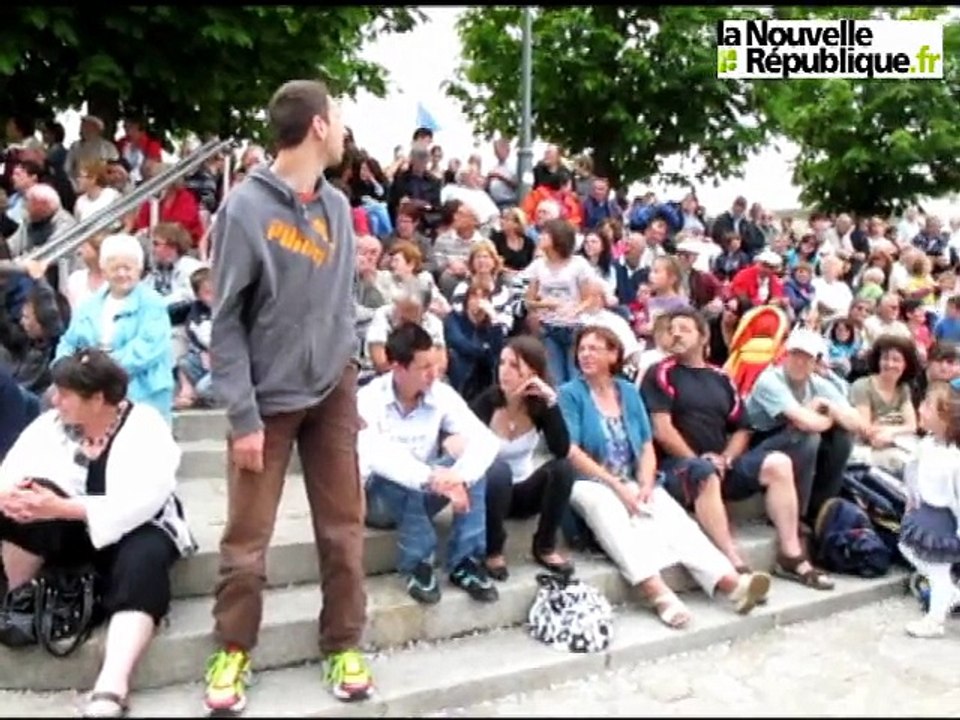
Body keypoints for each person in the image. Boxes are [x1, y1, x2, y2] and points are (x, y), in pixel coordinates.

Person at [205, 80, 372, 714]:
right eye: (340, 117)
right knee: (248, 539)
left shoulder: (336, 204)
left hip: (333, 389)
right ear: (319, 127)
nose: (345, 129)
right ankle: (233, 650)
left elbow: (341, 300)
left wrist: (349, 356)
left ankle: (343, 644)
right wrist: (242, 415)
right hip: (266, 402)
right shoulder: (244, 209)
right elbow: (224, 321)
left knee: (344, 530)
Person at [0, 350, 193, 717]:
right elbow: (11, 470)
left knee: (144, 557)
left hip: (138, 527)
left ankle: (113, 681)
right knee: (18, 504)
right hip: (72, 528)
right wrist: (13, 496)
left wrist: (61, 508)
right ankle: (15, 603)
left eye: (65, 394)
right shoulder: (51, 425)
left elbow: (143, 501)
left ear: (98, 399)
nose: (55, 401)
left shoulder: (145, 425)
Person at [559, 326, 771, 630]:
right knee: (608, 510)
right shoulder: (571, 394)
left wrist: (645, 483)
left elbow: (646, 445)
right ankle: (657, 594)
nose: (586, 354)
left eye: (595, 348)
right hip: (589, 481)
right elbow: (571, 450)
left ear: (613, 354)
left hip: (631, 476)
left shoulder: (628, 391)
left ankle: (732, 584)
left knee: (671, 515)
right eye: (582, 349)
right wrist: (618, 487)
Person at [642, 309, 833, 589]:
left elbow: (743, 427)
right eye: (672, 329)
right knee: (703, 470)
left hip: (721, 465)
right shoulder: (659, 372)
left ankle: (791, 554)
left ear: (703, 336)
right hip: (678, 467)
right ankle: (734, 562)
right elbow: (662, 428)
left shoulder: (721, 377)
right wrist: (699, 459)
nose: (676, 334)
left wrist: (727, 458)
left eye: (684, 328)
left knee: (778, 462)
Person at [359, 323, 500, 604]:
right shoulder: (368, 399)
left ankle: (465, 561)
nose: (433, 374)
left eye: (434, 365)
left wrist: (460, 477)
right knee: (399, 476)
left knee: (473, 463)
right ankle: (417, 563)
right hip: (378, 500)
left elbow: (486, 440)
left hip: (431, 488)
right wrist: (431, 476)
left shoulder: (441, 393)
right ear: (398, 368)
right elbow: (378, 455)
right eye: (424, 367)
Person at [471, 336, 576, 580]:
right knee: (499, 470)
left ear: (533, 372)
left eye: (514, 366)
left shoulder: (540, 406)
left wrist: (551, 402)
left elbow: (561, 449)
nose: (504, 371)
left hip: (522, 493)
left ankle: (545, 545)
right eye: (502, 363)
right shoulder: (487, 402)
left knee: (563, 468)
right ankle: (493, 549)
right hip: (489, 493)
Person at [744, 328, 868, 529]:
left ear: (815, 361)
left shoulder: (818, 384)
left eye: (806, 357)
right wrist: (828, 417)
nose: (799, 362)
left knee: (842, 436)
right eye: (795, 354)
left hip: (791, 439)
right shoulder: (770, 379)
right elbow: (804, 422)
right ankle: (796, 515)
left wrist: (829, 409)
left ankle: (820, 508)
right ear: (786, 354)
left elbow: (856, 422)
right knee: (810, 437)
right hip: (759, 442)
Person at [54, 233, 175, 422]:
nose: (122, 274)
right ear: (103, 270)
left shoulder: (153, 303)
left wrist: (101, 371)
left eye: (128, 268)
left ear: (139, 269)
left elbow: (148, 348)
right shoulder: (88, 305)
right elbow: (69, 342)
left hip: (143, 393)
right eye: (115, 268)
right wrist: (67, 369)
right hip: (93, 390)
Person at [900, 381, 960, 638]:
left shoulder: (954, 458)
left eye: (927, 406)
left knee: (938, 570)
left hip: (942, 520)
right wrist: (911, 496)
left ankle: (934, 621)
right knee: (907, 547)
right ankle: (951, 593)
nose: (920, 409)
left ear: (944, 416)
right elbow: (913, 467)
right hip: (922, 511)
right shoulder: (927, 444)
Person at [848, 335, 920, 474]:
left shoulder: (903, 389)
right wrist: (897, 425)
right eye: (885, 358)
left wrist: (890, 432)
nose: (890, 364)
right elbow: (867, 430)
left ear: (906, 364)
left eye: (896, 360)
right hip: (865, 450)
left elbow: (912, 426)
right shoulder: (862, 386)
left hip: (895, 444)